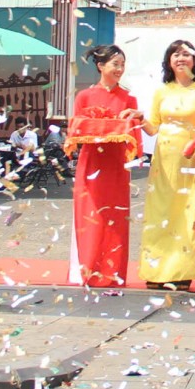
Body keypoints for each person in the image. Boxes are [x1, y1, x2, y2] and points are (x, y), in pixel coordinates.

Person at [141, 39, 195, 290]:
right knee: (159, 212)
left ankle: (181, 272)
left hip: (190, 157)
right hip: (163, 159)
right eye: (176, 54)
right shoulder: (162, 91)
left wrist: (194, 145)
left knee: (186, 212)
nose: (181, 58)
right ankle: (156, 270)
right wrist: (138, 118)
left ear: (194, 60)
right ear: (169, 61)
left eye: (186, 54)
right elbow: (152, 128)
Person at [68, 44, 140, 289]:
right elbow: (76, 130)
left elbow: (134, 136)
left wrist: (135, 118)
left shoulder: (128, 99)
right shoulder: (84, 97)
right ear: (100, 66)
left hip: (117, 165)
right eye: (115, 64)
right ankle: (87, 270)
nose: (119, 69)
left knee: (115, 218)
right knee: (90, 216)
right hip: (91, 164)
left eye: (122, 65)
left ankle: (113, 271)